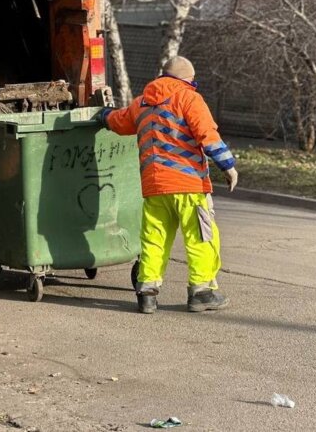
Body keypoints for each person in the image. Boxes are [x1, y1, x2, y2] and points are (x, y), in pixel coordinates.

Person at [97, 56, 238, 315]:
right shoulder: (188, 98)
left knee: (154, 239)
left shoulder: (142, 103)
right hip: (188, 185)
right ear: (187, 80)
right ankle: (201, 292)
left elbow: (118, 121)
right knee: (201, 237)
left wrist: (102, 115)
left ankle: (147, 293)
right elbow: (207, 134)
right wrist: (227, 165)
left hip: (154, 187)